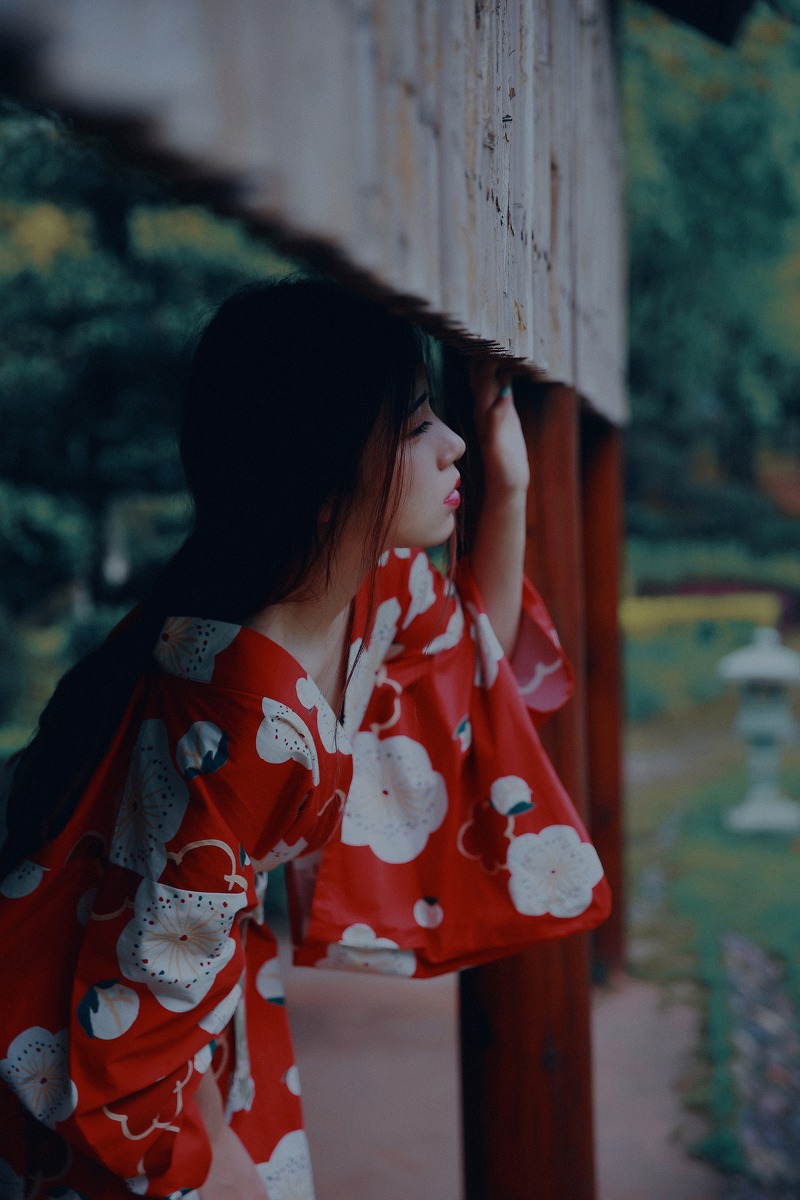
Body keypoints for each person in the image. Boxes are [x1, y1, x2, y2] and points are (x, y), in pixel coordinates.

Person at [0, 278, 610, 1198]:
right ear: (323, 478)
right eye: (415, 430)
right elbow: (146, 1011)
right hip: (83, 1020)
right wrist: (216, 1162)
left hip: (193, 995)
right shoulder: (237, 714)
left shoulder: (369, 585)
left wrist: (511, 482)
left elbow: (468, 665)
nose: (453, 448)